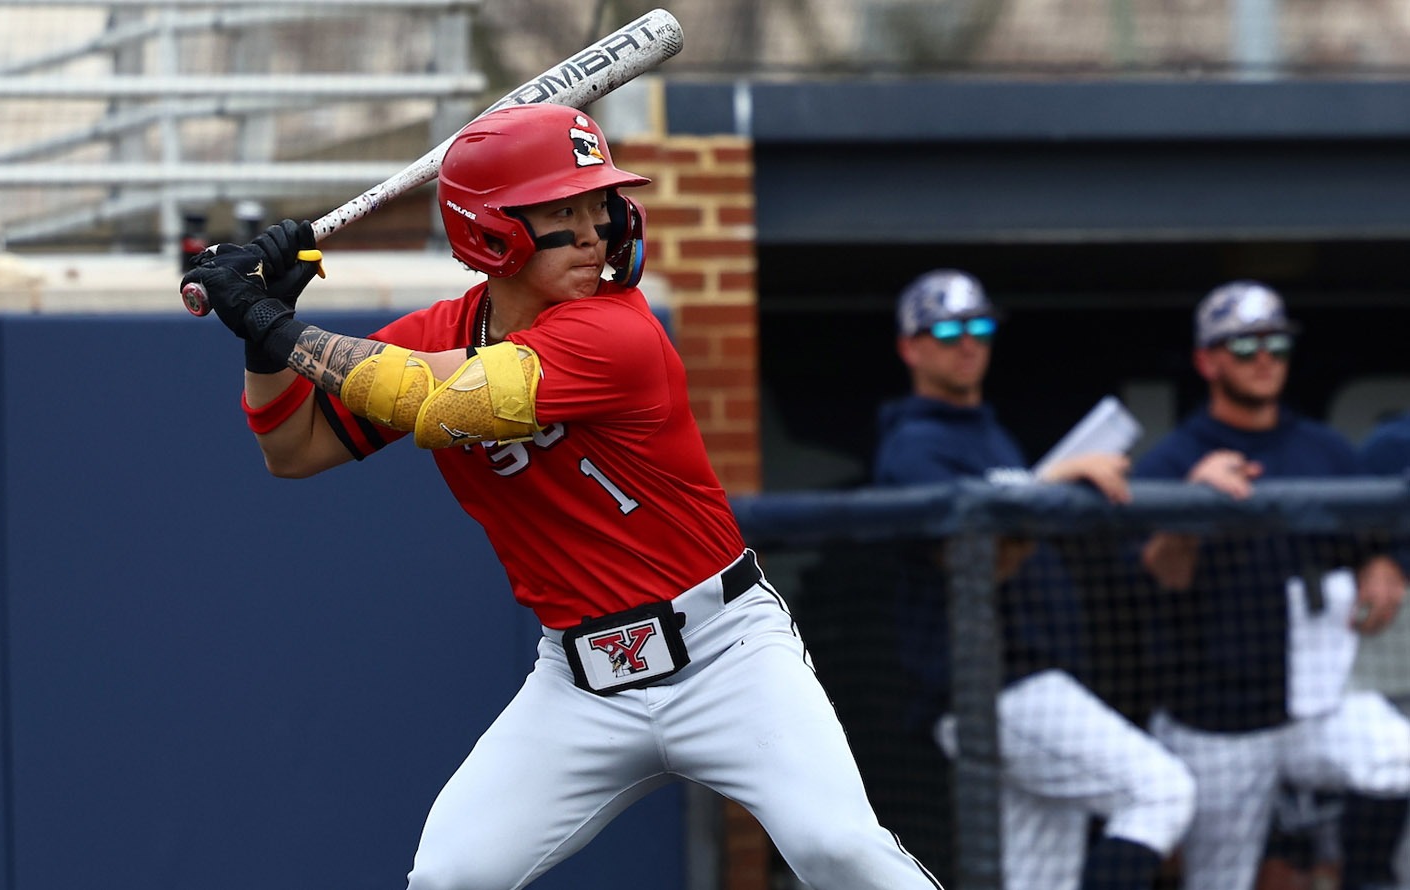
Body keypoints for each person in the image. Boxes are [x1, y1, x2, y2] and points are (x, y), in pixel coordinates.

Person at [179, 104, 942, 890]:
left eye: (598, 206)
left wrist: (273, 322)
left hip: (726, 655)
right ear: (490, 232)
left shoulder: (619, 332)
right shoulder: (438, 332)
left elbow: (442, 404)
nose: (594, 232)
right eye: (560, 212)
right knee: (450, 878)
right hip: (581, 682)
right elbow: (292, 449)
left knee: (838, 850)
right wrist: (260, 343)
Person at [870, 269, 1195, 890]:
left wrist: (1046, 488)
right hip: (989, 688)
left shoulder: (988, 430)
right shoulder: (914, 443)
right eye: (945, 329)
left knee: (1037, 879)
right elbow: (972, 558)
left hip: (1029, 684)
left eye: (979, 326)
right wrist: (1060, 482)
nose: (967, 341)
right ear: (911, 346)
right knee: (1162, 791)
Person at [1133, 280, 1410, 890]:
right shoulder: (1173, 459)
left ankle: (1371, 875)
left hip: (1320, 699)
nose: (1264, 358)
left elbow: (1376, 540)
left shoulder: (1326, 449)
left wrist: (1388, 564)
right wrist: (1192, 504)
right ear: (1208, 360)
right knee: (1219, 882)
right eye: (1245, 345)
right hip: (1219, 721)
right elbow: (1158, 576)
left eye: (1276, 344)